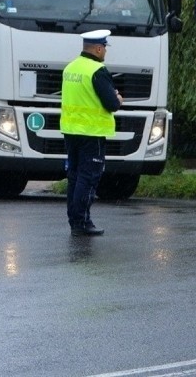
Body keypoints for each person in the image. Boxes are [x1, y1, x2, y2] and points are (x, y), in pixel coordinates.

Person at [60, 29, 123, 236]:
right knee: (88, 177)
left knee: (75, 177)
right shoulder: (97, 70)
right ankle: (82, 222)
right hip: (91, 133)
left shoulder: (70, 68)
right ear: (98, 49)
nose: (105, 51)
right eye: (104, 47)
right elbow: (111, 104)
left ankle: (74, 221)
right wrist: (118, 99)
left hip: (71, 131)